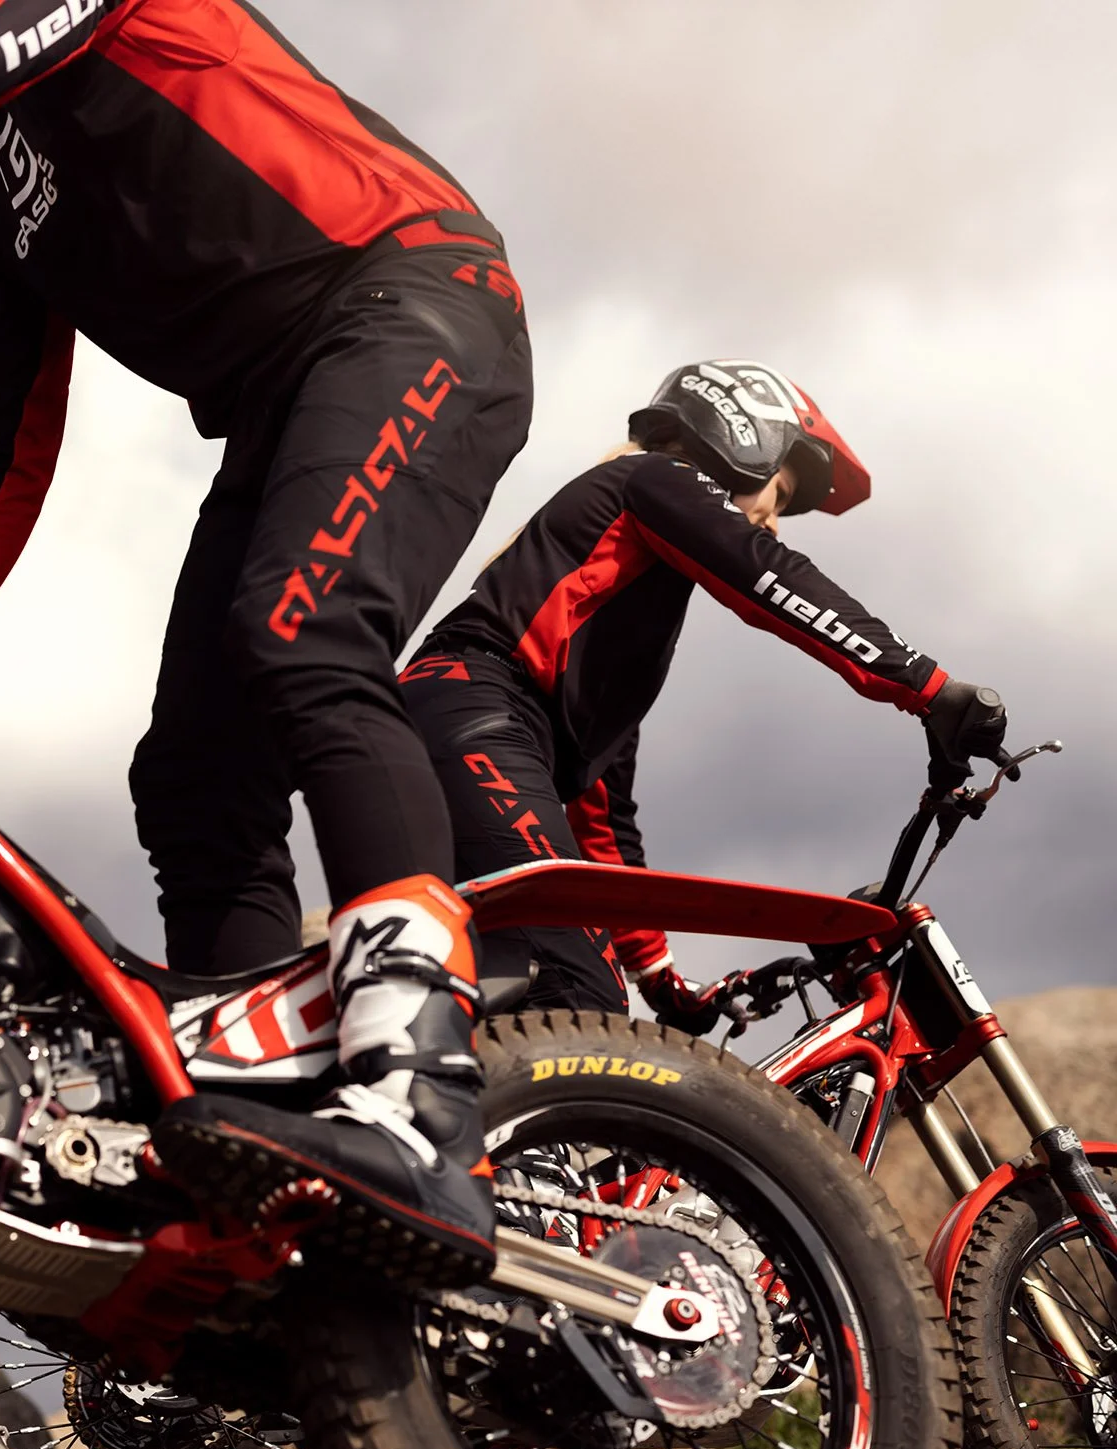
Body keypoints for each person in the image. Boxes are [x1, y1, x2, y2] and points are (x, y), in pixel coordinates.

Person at [0, 0, 535, 1284]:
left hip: (412, 298)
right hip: (281, 402)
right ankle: (270, 1138)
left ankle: (417, 1088)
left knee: (301, 634)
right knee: (192, 781)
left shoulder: (25, 29)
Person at [398, 359, 1011, 1029]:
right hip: (472, 713)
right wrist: (928, 687)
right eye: (780, 492)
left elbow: (600, 814)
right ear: (742, 443)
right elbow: (764, 574)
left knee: (475, 993)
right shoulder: (657, 478)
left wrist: (658, 975)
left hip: (451, 725)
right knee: (575, 992)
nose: (773, 522)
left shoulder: (619, 612)